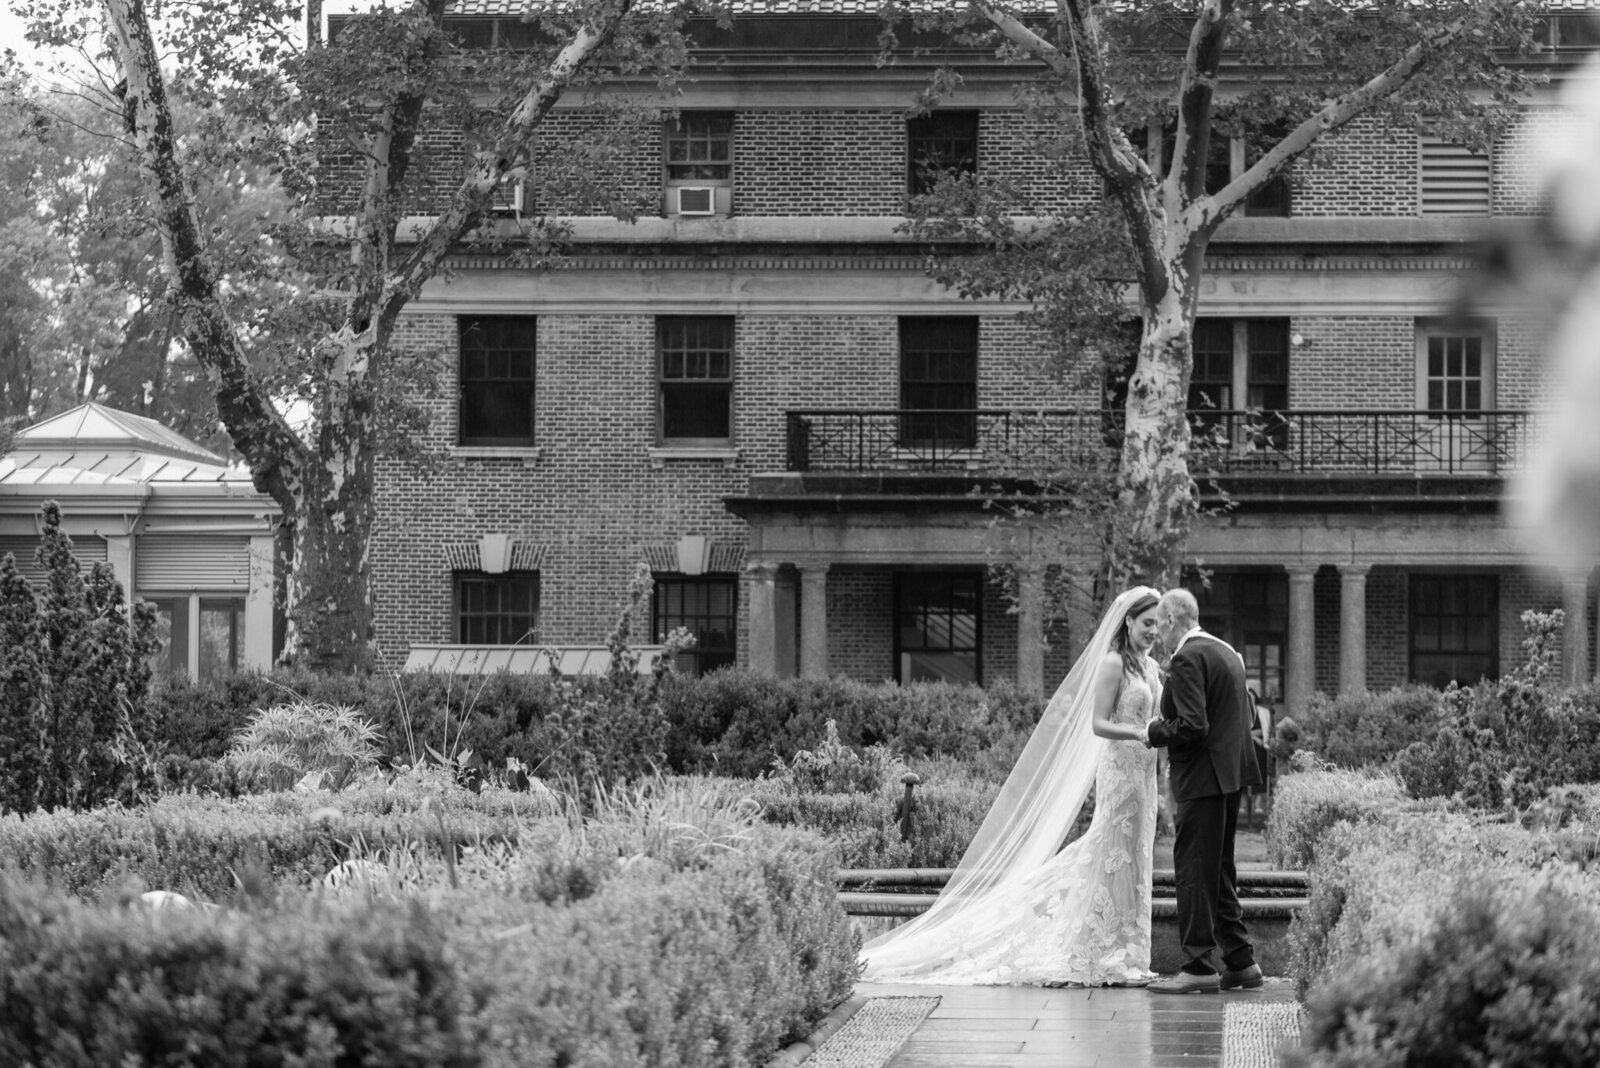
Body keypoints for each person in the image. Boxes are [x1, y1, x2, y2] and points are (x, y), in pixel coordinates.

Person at [858, 586, 1164, 986]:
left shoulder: (1151, 668)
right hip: (1120, 772)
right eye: (1147, 622)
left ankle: (1129, 952)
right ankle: (1103, 952)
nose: (1153, 630)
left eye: (1157, 623)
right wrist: (1140, 734)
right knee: (1110, 853)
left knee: (1136, 856)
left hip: (1145, 776)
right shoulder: (1113, 665)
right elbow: (1098, 724)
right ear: (1127, 621)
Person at [1139, 588, 1264, 994]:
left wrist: (1154, 731)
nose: (1158, 634)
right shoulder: (1227, 651)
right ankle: (1241, 962)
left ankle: (1197, 967)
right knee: (1219, 870)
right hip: (1230, 778)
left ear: (1172, 620)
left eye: (1159, 624)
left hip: (1202, 780)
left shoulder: (1187, 658)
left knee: (1193, 870)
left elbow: (1193, 726)